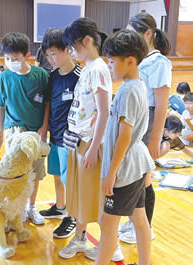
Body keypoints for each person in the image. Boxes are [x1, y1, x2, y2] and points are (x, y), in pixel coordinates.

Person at [58, 18, 123, 262]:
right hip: (79, 140)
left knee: (96, 198)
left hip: (90, 143)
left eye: (73, 47)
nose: (71, 52)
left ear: (87, 41)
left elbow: (104, 112)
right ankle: (81, 238)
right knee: (80, 196)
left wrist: (94, 147)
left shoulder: (98, 69)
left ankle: (111, 245)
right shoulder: (88, 67)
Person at [96, 29, 155, 265]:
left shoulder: (128, 90)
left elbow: (124, 136)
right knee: (139, 219)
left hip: (126, 168)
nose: (109, 67)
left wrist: (111, 173)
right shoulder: (137, 85)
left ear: (129, 61)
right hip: (136, 164)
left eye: (111, 62)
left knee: (107, 224)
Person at [119, 12, 172, 244]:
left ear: (148, 34)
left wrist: (154, 140)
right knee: (135, 174)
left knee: (144, 177)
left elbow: (161, 105)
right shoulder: (138, 59)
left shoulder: (160, 63)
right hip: (137, 116)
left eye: (133, 35)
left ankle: (144, 227)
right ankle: (135, 222)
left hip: (149, 119)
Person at [0, 32, 50, 225]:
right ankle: (17, 208)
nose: (10, 62)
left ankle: (31, 208)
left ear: (27, 55)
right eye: (7, 58)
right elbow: (0, 106)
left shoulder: (41, 76)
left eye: (15, 59)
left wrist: (44, 126)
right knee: (16, 171)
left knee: (36, 171)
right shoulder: (4, 77)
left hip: (36, 132)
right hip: (13, 131)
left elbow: (47, 104)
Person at [37, 28, 81, 238]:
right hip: (54, 136)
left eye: (54, 53)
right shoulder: (52, 76)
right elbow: (48, 104)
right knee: (56, 175)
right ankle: (60, 206)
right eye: (47, 55)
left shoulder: (79, 77)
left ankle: (71, 217)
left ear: (67, 50)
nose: (51, 59)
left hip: (70, 140)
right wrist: (44, 129)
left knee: (68, 180)